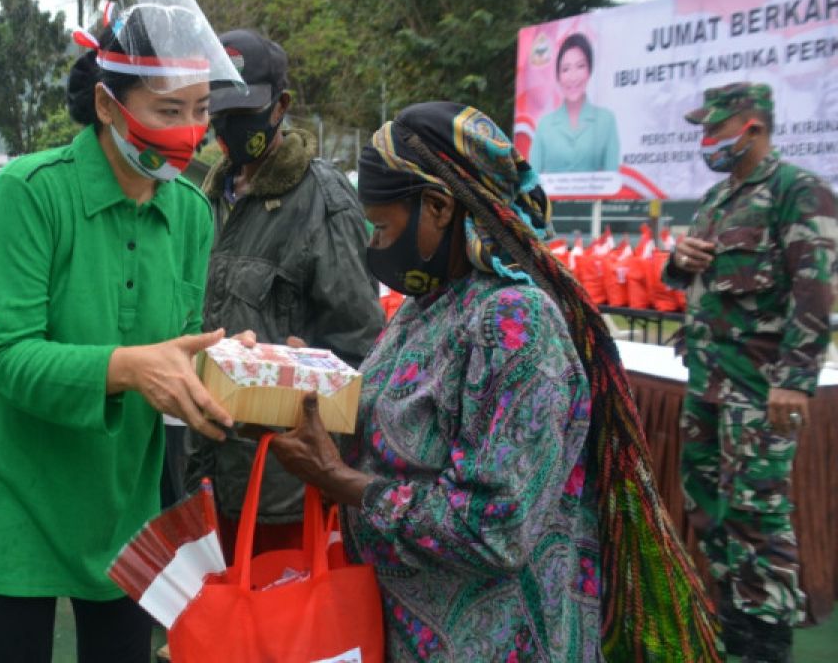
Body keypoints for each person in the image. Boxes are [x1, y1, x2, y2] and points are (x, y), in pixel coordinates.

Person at [267, 102, 719, 661]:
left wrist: (339, 480)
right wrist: (292, 390)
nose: (374, 246)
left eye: (382, 227)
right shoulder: (426, 305)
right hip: (405, 630)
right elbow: (388, 425)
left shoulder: (516, 326)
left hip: (500, 641)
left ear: (437, 206)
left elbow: (495, 528)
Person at [0, 0, 240, 663]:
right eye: (167, 110)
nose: (189, 132)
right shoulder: (30, 193)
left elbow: (172, 347)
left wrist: (227, 367)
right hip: (14, 491)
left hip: (120, 497)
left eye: (200, 109)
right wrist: (131, 368)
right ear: (107, 103)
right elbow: (5, 356)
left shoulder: (190, 212)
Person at [186, 29, 383, 559]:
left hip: (282, 491)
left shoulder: (324, 201)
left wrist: (304, 368)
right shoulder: (203, 200)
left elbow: (361, 351)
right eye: (219, 109)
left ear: (281, 107)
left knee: (279, 633)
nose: (230, 125)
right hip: (205, 476)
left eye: (245, 109)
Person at [663, 82, 838, 663]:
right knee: (707, 508)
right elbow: (697, 278)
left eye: (715, 130)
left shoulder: (798, 191)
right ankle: (737, 622)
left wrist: (794, 379)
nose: (707, 142)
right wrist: (678, 259)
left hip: (759, 391)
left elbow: (815, 294)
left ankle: (768, 646)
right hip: (706, 384)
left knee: (758, 517)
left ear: (753, 127)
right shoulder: (718, 199)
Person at [529, 32, 620, 173]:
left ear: (589, 70)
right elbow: (531, 180)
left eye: (580, 66)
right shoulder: (544, 125)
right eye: (565, 69)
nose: (573, 77)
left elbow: (613, 179)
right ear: (558, 76)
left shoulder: (606, 120)